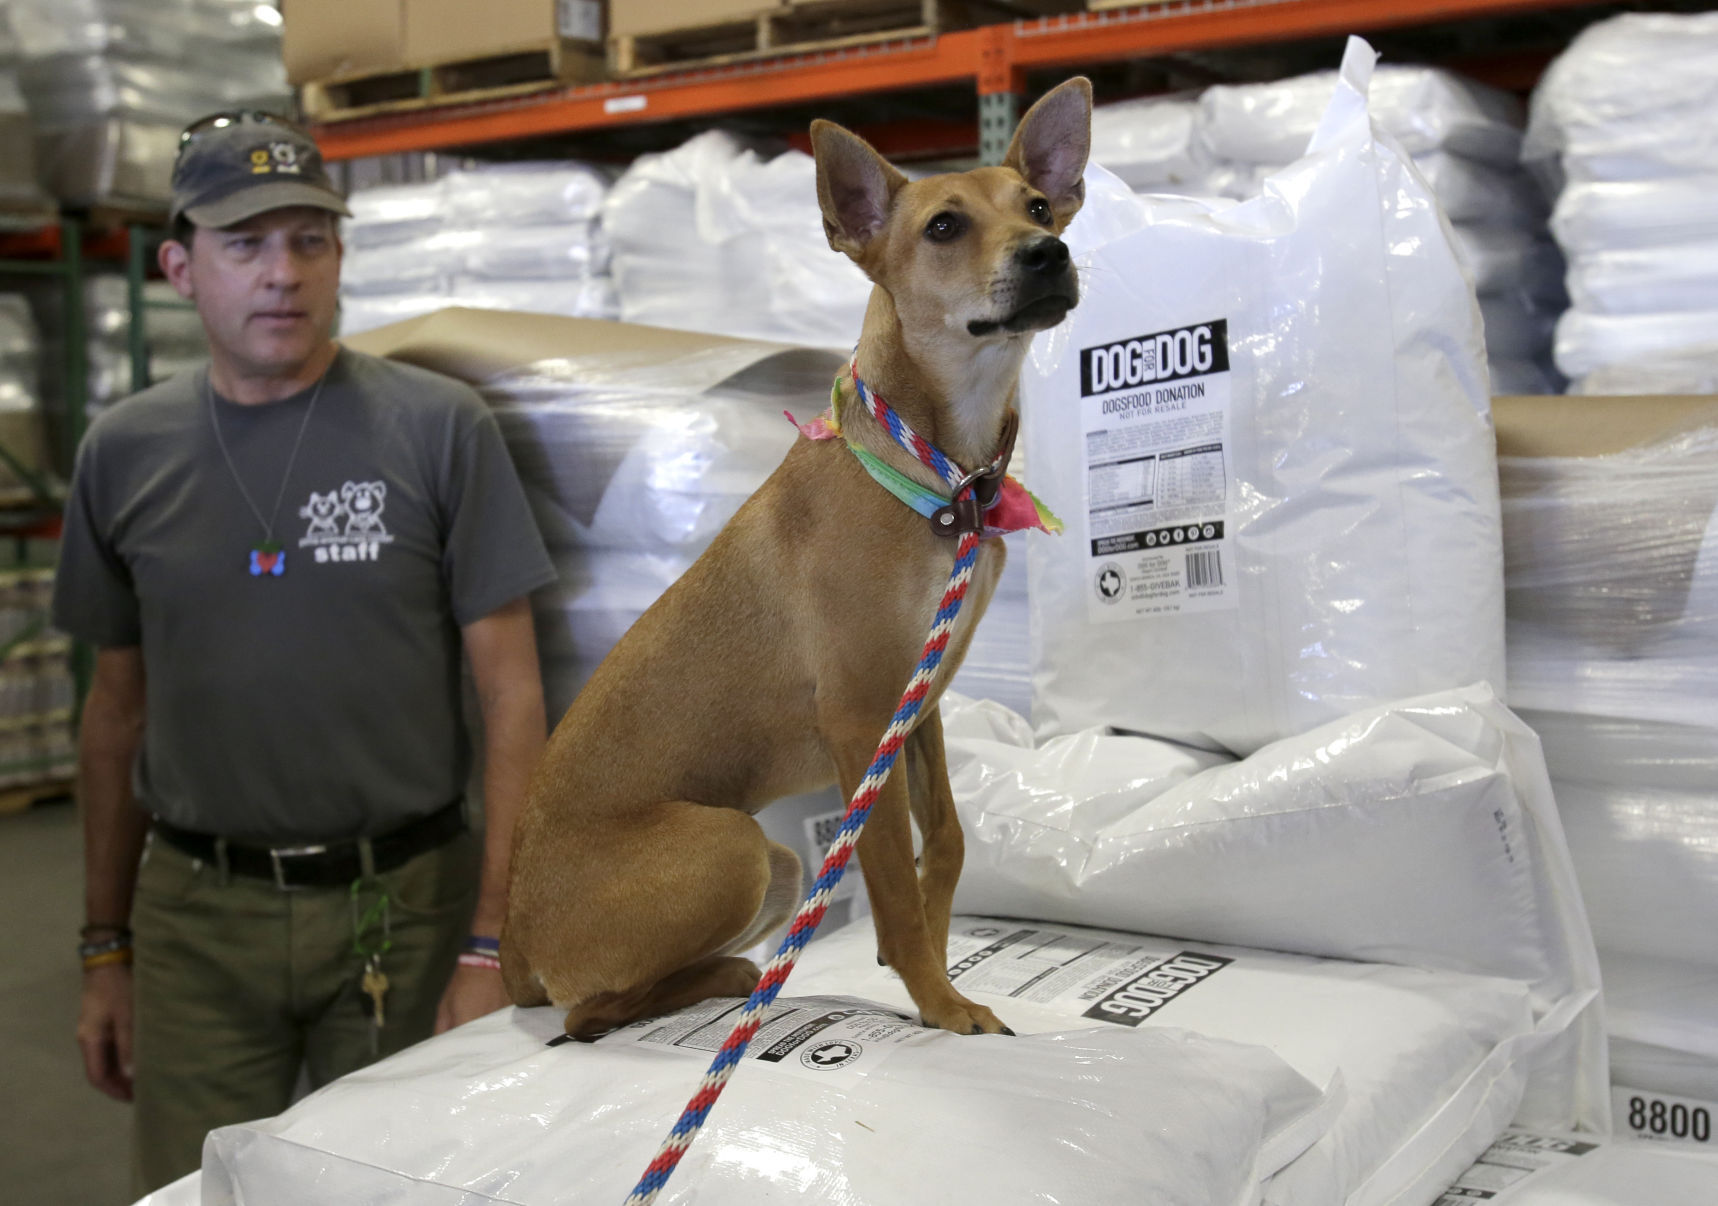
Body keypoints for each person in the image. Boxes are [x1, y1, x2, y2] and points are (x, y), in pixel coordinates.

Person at [52, 112, 558, 1195]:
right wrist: (106, 950)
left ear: (339, 257)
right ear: (181, 269)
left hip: (405, 906)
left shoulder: (436, 429)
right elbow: (115, 714)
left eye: (309, 241)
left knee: (391, 1183)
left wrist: (489, 942)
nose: (282, 274)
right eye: (246, 245)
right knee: (201, 1187)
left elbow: (512, 695)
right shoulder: (123, 452)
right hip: (197, 918)